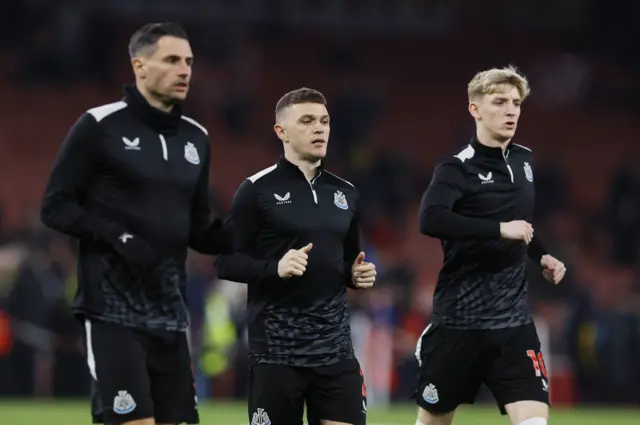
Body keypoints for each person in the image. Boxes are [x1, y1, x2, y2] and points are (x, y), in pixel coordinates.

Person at [40, 22, 229, 425]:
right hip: (112, 309)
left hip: (170, 312)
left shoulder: (197, 138)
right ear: (139, 66)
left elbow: (199, 229)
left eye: (190, 62)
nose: (185, 71)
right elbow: (54, 207)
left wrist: (245, 235)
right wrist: (116, 234)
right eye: (172, 60)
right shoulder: (99, 125)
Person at [414, 66, 567, 425]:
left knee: (534, 421)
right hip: (458, 321)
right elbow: (430, 219)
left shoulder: (525, 160)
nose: (511, 110)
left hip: (513, 323)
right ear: (475, 109)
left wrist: (541, 253)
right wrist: (499, 229)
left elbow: (522, 224)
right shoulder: (456, 168)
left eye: (516, 103)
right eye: (499, 102)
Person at [215, 88, 375, 425]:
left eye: (324, 121)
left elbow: (347, 262)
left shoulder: (345, 193)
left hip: (335, 351)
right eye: (307, 121)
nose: (319, 128)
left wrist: (355, 276)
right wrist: (275, 268)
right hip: (277, 353)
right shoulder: (256, 190)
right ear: (281, 131)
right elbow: (225, 261)